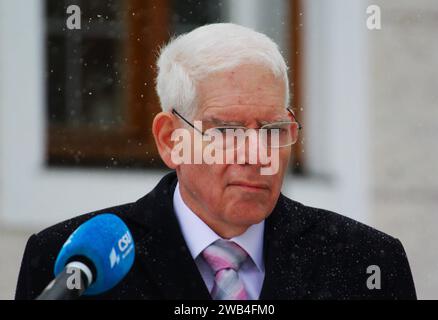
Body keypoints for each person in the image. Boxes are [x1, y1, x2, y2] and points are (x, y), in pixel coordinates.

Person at [15, 23, 416, 300]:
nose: (259, 155)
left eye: (274, 130)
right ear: (170, 140)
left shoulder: (365, 263)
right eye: (227, 132)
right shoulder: (72, 267)